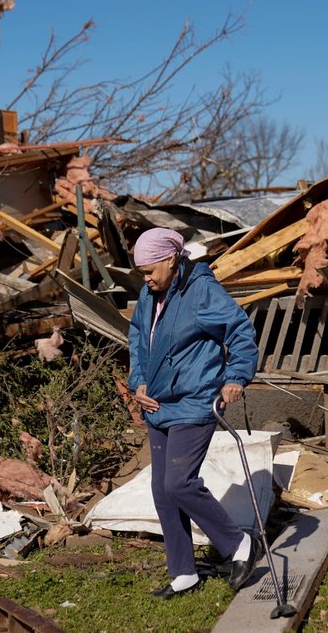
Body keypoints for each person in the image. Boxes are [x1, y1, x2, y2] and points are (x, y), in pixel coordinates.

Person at [127, 227, 260, 599]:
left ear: (171, 260)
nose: (147, 279)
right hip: (158, 403)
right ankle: (183, 572)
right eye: (142, 273)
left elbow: (240, 331)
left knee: (178, 482)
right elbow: (138, 338)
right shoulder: (148, 294)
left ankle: (239, 544)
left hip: (195, 398)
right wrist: (137, 381)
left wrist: (236, 376)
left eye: (150, 270)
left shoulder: (202, 290)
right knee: (162, 490)